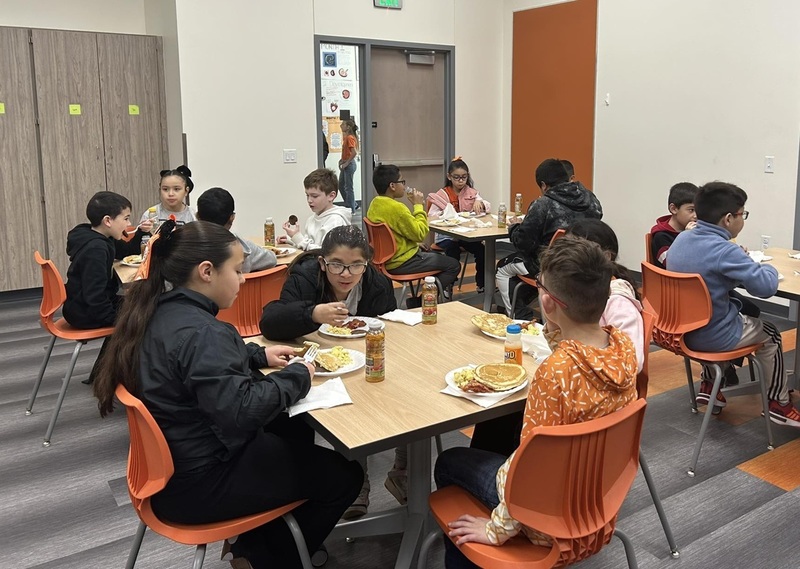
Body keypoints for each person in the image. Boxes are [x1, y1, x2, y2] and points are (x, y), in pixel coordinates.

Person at [92, 221, 363, 569]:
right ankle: (266, 557)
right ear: (207, 272)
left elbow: (189, 362)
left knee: (290, 426)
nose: (243, 280)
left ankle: (257, 542)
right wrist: (298, 375)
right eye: (237, 270)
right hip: (200, 486)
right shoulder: (205, 333)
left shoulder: (159, 312)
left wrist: (256, 355)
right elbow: (242, 413)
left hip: (172, 469)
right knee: (345, 476)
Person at [434, 236, 637, 569]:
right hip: (595, 504)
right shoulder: (622, 349)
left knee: (450, 460)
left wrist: (495, 530)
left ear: (547, 301)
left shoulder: (556, 372)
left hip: (547, 518)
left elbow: (530, 469)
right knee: (499, 435)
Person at [261, 225, 399, 519]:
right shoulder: (306, 276)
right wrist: (312, 313)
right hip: (318, 367)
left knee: (396, 394)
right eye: (337, 264)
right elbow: (270, 322)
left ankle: (403, 472)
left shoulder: (377, 284)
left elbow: (389, 328)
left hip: (364, 363)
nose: (346, 274)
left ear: (366, 265)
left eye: (356, 265)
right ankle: (356, 479)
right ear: (323, 263)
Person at [668, 181, 800, 425]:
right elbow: (765, 287)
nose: (743, 219)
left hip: (680, 331)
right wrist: (768, 267)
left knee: (723, 314)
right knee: (771, 333)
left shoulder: (682, 239)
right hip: (711, 336)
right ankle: (778, 403)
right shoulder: (725, 251)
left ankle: (710, 384)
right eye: (743, 214)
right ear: (728, 219)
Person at [496, 158, 603, 319]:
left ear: (544, 185)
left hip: (550, 265)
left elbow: (524, 243)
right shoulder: (591, 199)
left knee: (502, 268)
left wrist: (514, 227)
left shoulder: (543, 204)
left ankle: (519, 319)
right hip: (584, 262)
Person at [366, 164, 461, 300]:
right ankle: (422, 301)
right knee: (453, 265)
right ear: (392, 186)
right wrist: (418, 206)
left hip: (386, 261)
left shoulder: (375, 204)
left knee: (436, 256)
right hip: (402, 262)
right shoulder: (397, 208)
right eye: (402, 182)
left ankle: (425, 296)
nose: (405, 186)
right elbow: (420, 233)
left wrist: (414, 245)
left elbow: (394, 235)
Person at [63, 191, 134, 330]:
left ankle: (115, 343)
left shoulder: (102, 236)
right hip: (85, 313)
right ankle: (116, 343)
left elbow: (127, 251)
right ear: (107, 221)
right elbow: (95, 296)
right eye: (126, 219)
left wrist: (142, 232)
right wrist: (115, 320)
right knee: (143, 315)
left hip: (86, 305)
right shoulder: (96, 250)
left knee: (141, 304)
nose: (129, 223)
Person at [428, 157, 491, 293]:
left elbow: (487, 206)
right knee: (452, 250)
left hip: (466, 235)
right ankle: (448, 285)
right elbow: (431, 216)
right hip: (446, 237)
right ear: (449, 177)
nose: (461, 181)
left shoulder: (471, 192)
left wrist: (480, 203)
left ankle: (482, 284)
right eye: (457, 177)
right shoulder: (442, 194)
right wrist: (446, 214)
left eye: (464, 177)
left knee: (482, 250)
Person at [196, 187, 277, 273]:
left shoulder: (189, 247)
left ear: (197, 217)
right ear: (232, 218)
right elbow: (272, 260)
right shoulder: (244, 247)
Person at [278, 168, 351, 251]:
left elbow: (326, 253)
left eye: (314, 196)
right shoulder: (312, 219)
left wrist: (298, 239)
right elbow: (309, 245)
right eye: (307, 195)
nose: (309, 200)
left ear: (331, 196)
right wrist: (292, 239)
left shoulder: (336, 221)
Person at [649, 182, 698, 268]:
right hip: (673, 275)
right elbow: (672, 264)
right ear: (673, 209)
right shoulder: (661, 236)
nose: (696, 215)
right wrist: (686, 238)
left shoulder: (695, 229)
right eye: (691, 210)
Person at [338, 119, 359, 212]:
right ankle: (353, 204)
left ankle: (351, 209)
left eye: (343, 124)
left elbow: (354, 152)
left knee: (348, 188)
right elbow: (347, 152)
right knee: (341, 185)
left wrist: (346, 163)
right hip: (346, 163)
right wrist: (342, 160)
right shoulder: (346, 137)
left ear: (348, 127)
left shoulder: (350, 138)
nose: (341, 126)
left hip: (349, 165)